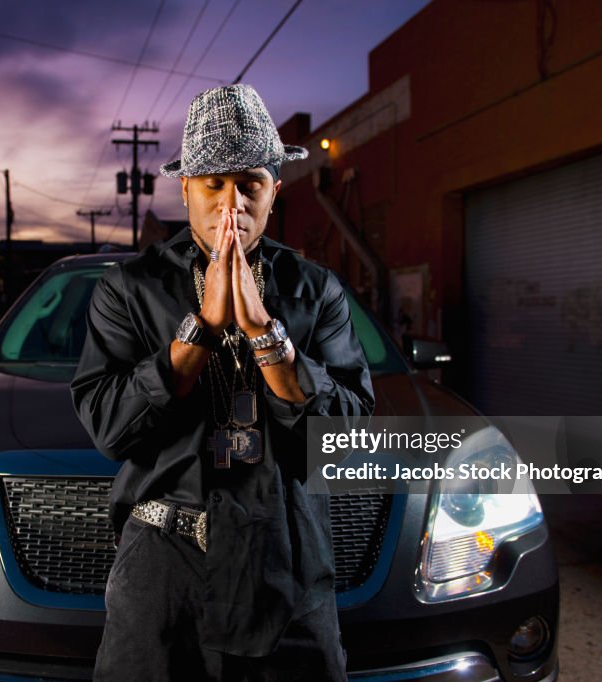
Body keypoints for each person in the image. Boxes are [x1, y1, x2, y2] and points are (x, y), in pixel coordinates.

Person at [70, 83, 375, 682]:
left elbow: (348, 437)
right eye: (214, 184)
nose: (231, 204)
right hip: (163, 561)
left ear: (274, 191)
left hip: (286, 558)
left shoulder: (316, 290)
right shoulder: (127, 289)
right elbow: (108, 426)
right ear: (185, 188)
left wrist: (267, 337)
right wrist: (201, 330)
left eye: (250, 185)